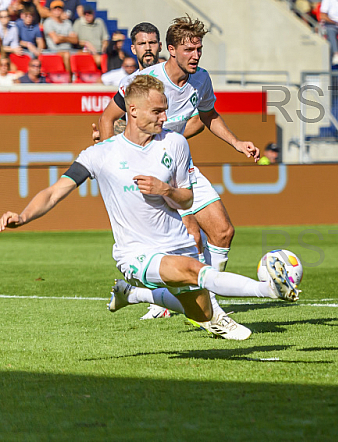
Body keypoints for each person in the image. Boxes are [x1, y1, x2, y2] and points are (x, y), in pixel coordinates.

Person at [2, 75, 298, 341]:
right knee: (196, 271)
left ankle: (135, 295)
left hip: (177, 244)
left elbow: (187, 199)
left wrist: (165, 190)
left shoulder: (176, 143)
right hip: (135, 252)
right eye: (157, 111)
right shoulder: (100, 154)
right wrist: (23, 216)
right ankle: (269, 289)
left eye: (165, 109)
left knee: (200, 313)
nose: (164, 117)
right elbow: (55, 192)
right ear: (132, 111)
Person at [97, 17, 265, 328]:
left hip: (180, 166)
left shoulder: (201, 79)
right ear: (171, 50)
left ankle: (204, 299)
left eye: (199, 49)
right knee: (183, 241)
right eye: (189, 49)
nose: (196, 55)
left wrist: (237, 142)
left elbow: (208, 114)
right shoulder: (146, 80)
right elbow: (108, 117)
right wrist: (111, 160)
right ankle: (198, 305)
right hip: (146, 171)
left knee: (223, 231)